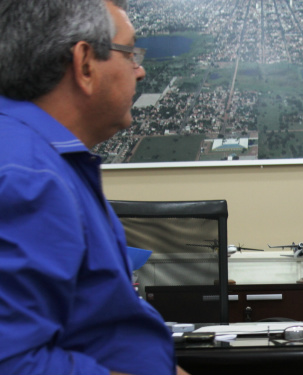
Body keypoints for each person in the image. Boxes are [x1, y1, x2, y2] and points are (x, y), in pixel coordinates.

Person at [0, 1, 189, 374]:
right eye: (130, 53)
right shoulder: (29, 179)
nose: (140, 70)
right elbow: (14, 363)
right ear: (85, 63)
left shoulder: (47, 162)